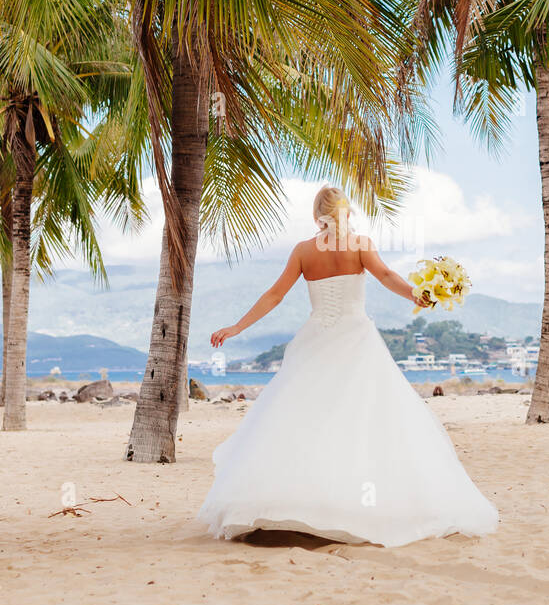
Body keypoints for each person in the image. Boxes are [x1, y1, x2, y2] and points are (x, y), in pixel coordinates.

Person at [197, 187, 498, 547]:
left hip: (316, 341)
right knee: (364, 420)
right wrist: (416, 294)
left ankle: (292, 503)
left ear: (316, 217)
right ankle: (356, 504)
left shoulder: (304, 251)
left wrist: (236, 327)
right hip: (356, 339)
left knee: (303, 419)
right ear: (348, 214)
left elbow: (274, 295)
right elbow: (386, 276)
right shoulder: (360, 245)